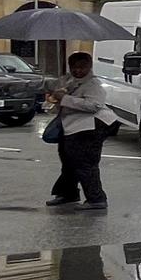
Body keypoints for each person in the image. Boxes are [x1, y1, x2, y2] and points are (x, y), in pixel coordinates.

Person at [46, 51, 118, 210]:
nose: (77, 70)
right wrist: (56, 94)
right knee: (68, 161)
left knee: (85, 163)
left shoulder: (93, 84)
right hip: (72, 127)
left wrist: (65, 98)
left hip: (91, 126)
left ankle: (96, 198)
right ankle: (68, 193)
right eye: (74, 67)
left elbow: (94, 105)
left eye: (82, 67)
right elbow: (53, 88)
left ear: (89, 66)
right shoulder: (67, 80)